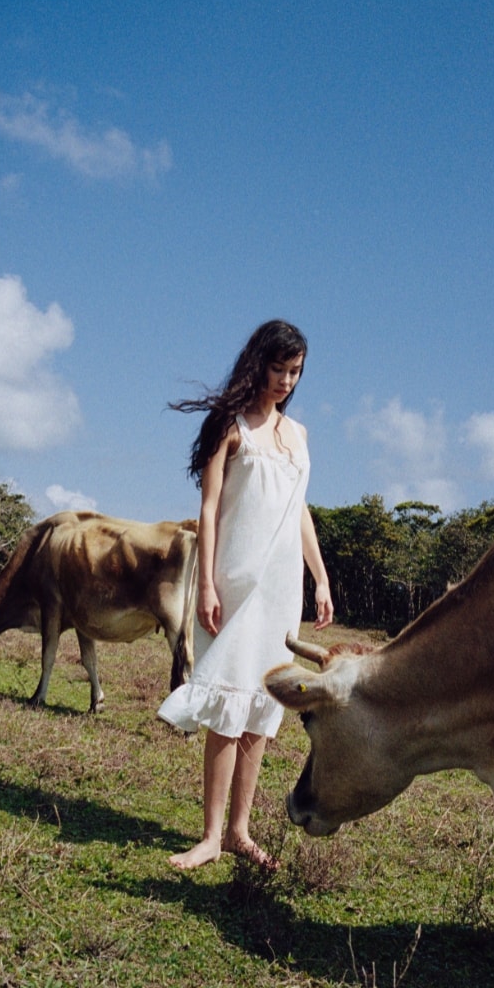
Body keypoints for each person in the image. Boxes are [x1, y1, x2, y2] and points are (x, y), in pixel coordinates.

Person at [158, 319, 333, 870]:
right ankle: (210, 836)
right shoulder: (228, 425)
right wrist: (206, 581)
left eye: (296, 371)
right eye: (279, 368)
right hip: (233, 581)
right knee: (227, 708)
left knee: (262, 708)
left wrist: (320, 575)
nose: (286, 380)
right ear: (259, 364)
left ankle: (239, 831)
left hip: (282, 589)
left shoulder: (299, 436)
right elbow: (208, 509)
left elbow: (299, 510)